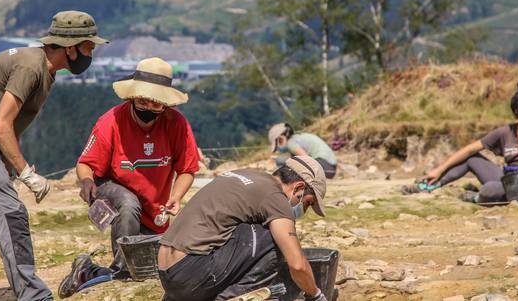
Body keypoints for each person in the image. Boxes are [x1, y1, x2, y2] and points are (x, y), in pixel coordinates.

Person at [0, 10, 107, 301]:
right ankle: (33, 295)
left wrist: (5, 162)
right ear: (70, 48)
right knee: (11, 213)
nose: (91, 53)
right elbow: (1, 124)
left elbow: (8, 124)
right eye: (88, 46)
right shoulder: (31, 68)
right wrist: (26, 174)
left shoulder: (44, 70)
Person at [59, 57, 200, 297]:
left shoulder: (176, 124)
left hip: (154, 209)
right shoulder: (111, 122)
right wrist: (86, 182)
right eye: (143, 101)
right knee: (128, 206)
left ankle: (86, 271)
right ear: (132, 97)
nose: (149, 109)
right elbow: (86, 164)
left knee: (152, 269)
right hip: (114, 192)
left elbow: (187, 169)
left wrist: (175, 196)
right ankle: (120, 274)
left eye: (157, 105)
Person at [157, 155, 329, 301]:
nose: (304, 210)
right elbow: (297, 264)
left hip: (167, 273)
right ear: (298, 187)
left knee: (256, 228)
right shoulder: (275, 198)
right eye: (307, 203)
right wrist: (315, 295)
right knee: (274, 238)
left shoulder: (249, 176)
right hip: (191, 273)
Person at [403, 81, 518, 203]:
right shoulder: (504, 132)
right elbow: (469, 150)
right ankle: (429, 186)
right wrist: (439, 169)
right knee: (472, 158)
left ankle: (476, 198)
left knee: (491, 189)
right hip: (510, 180)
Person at [269, 123, 338, 179]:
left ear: (282, 138)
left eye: (279, 143)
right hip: (330, 167)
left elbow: (306, 160)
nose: (278, 148)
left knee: (282, 162)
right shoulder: (297, 138)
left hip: (326, 167)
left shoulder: (291, 143)